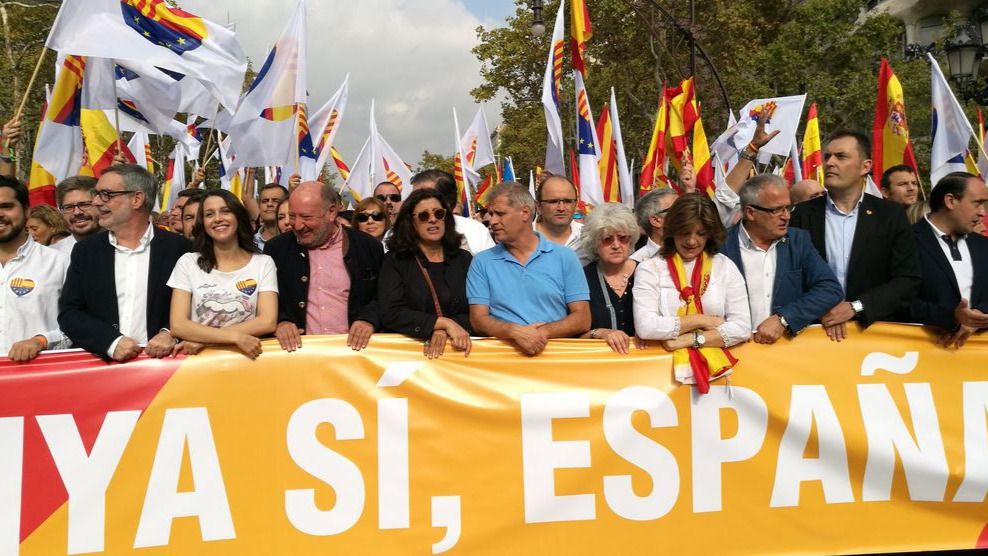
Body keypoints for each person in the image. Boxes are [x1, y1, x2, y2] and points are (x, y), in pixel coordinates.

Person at [789, 131, 921, 342]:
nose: (830, 163)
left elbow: (907, 279)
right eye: (827, 156)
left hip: (873, 334)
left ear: (865, 166)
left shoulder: (890, 215)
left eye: (841, 156)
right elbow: (790, 276)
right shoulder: (800, 215)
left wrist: (856, 307)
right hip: (812, 334)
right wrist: (819, 307)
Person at [58, 164, 191, 361]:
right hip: (103, 371)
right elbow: (70, 313)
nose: (96, 202)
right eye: (96, 194)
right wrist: (110, 342)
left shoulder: (179, 250)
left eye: (106, 195)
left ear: (136, 199)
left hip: (165, 373)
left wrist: (169, 332)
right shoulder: (86, 251)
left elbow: (196, 307)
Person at [633, 194, 751, 392]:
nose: (691, 241)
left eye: (701, 233)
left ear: (711, 234)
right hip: (663, 379)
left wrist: (690, 340)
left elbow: (742, 327)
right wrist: (702, 321)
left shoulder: (724, 266)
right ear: (671, 231)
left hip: (720, 377)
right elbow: (646, 327)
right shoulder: (650, 267)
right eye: (684, 232)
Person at [467, 182, 590, 356]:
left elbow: (582, 319)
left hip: (557, 363)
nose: (492, 221)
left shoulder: (565, 257)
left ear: (525, 213)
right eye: (491, 214)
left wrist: (541, 333)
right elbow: (478, 320)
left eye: (500, 214)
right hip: (502, 367)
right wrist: (513, 331)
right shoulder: (481, 262)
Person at [721, 174, 843, 343]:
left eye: (788, 208)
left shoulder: (798, 241)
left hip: (784, 353)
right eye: (776, 210)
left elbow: (830, 289)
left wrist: (784, 318)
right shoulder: (721, 247)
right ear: (750, 212)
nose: (786, 216)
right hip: (735, 353)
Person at [264, 181, 384, 352]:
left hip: (355, 358)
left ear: (331, 212)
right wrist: (280, 321)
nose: (297, 225)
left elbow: (383, 295)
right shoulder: (276, 249)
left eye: (306, 217)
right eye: (292, 216)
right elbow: (266, 299)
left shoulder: (368, 247)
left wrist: (369, 319)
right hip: (299, 357)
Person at [167, 190, 278, 359]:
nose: (218, 218)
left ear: (238, 216)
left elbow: (267, 321)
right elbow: (178, 325)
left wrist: (205, 339)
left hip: (249, 361)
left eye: (225, 211)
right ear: (202, 223)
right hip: (198, 365)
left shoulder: (264, 263)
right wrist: (233, 337)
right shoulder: (188, 263)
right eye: (209, 214)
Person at [379, 188, 472, 358]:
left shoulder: (464, 259)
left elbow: (478, 309)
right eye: (424, 215)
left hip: (460, 356)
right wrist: (438, 323)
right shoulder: (395, 261)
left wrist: (446, 328)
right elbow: (390, 312)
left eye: (438, 213)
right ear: (411, 222)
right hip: (410, 358)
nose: (432, 220)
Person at [905, 172, 988, 348]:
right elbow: (898, 299)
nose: (983, 213)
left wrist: (978, 315)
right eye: (977, 203)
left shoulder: (983, 246)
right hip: (923, 356)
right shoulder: (905, 241)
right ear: (950, 201)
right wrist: (952, 317)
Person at [0, 176, 72, 361]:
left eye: (6, 207)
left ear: (26, 211)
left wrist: (40, 341)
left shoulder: (60, 263)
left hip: (38, 380)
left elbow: (80, 325)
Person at [579, 203, 644, 354]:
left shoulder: (647, 273)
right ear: (594, 242)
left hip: (646, 365)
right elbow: (570, 336)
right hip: (601, 368)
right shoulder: (583, 278)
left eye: (623, 238)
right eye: (607, 239)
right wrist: (598, 333)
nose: (616, 245)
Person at [410, 169, 495, 254]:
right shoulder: (404, 233)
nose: (415, 202)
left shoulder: (476, 231)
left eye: (424, 197)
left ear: (449, 203)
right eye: (414, 197)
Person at [535, 175, 588, 264]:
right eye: (553, 201)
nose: (561, 208)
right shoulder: (522, 238)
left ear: (575, 204)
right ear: (539, 206)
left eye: (567, 201)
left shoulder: (588, 237)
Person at [51, 176, 101, 255]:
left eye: (84, 205)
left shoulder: (122, 247)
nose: (77, 212)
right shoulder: (53, 256)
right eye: (69, 207)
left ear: (100, 204)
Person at [630, 188, 677, 262]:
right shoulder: (636, 263)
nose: (684, 211)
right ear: (656, 220)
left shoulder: (693, 252)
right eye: (677, 208)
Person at [254, 183, 289, 250]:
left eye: (275, 200)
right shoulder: (249, 243)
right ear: (259, 206)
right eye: (265, 201)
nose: (269, 204)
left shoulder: (298, 240)